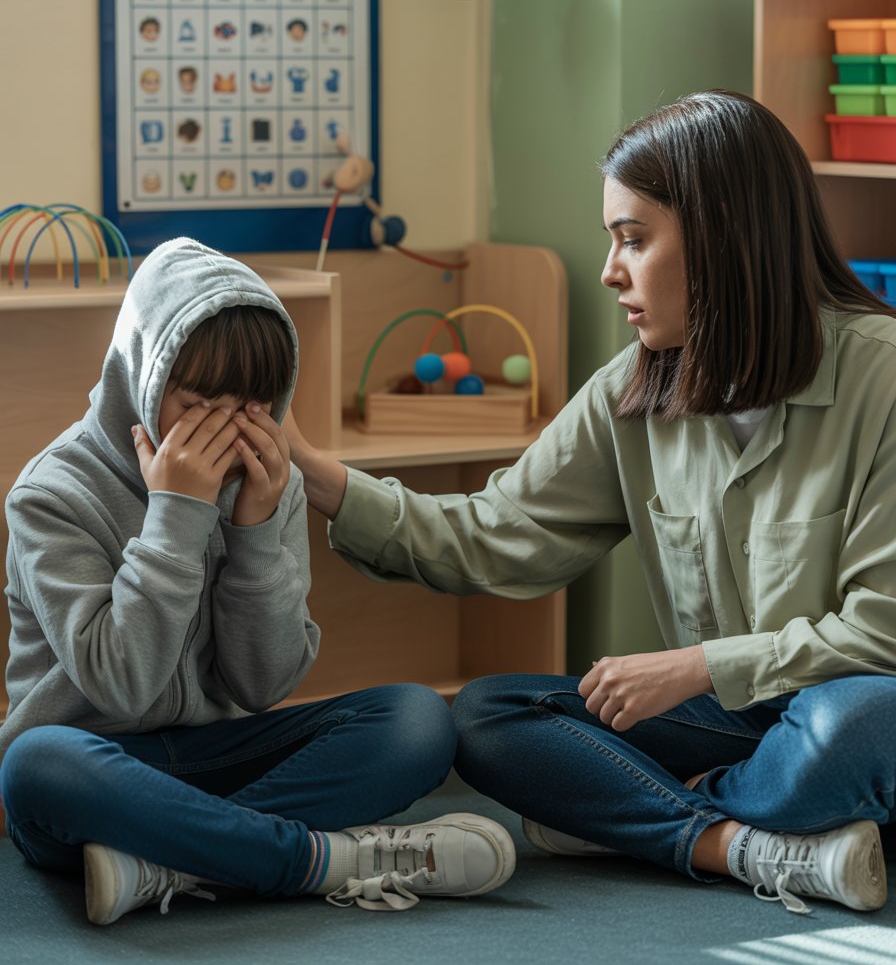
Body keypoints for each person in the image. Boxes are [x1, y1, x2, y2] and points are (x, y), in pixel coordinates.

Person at [284, 90, 896, 916]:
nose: (610, 270)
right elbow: (494, 535)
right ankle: (736, 843)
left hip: (842, 704)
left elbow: (881, 634)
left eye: (634, 240)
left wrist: (696, 667)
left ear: (721, 233)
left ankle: (654, 811)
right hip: (735, 724)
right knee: (491, 716)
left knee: (862, 721)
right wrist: (316, 476)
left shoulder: (883, 378)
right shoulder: (631, 392)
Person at [0, 238, 514, 925]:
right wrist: (176, 517)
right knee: (34, 763)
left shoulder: (270, 482)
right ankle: (312, 860)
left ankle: (174, 862)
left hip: (215, 758)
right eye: (200, 403)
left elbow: (262, 686)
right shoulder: (52, 494)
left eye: (255, 404)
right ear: (144, 378)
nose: (231, 429)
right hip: (98, 772)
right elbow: (123, 685)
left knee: (416, 719)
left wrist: (255, 532)